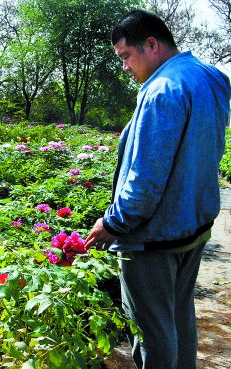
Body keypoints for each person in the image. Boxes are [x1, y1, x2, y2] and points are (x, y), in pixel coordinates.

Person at [84, 9, 231, 369]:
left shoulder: (162, 90)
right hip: (192, 228)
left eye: (125, 57)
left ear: (151, 44)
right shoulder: (210, 77)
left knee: (151, 331)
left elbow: (145, 181)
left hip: (152, 239)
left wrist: (114, 224)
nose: (124, 67)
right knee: (179, 316)